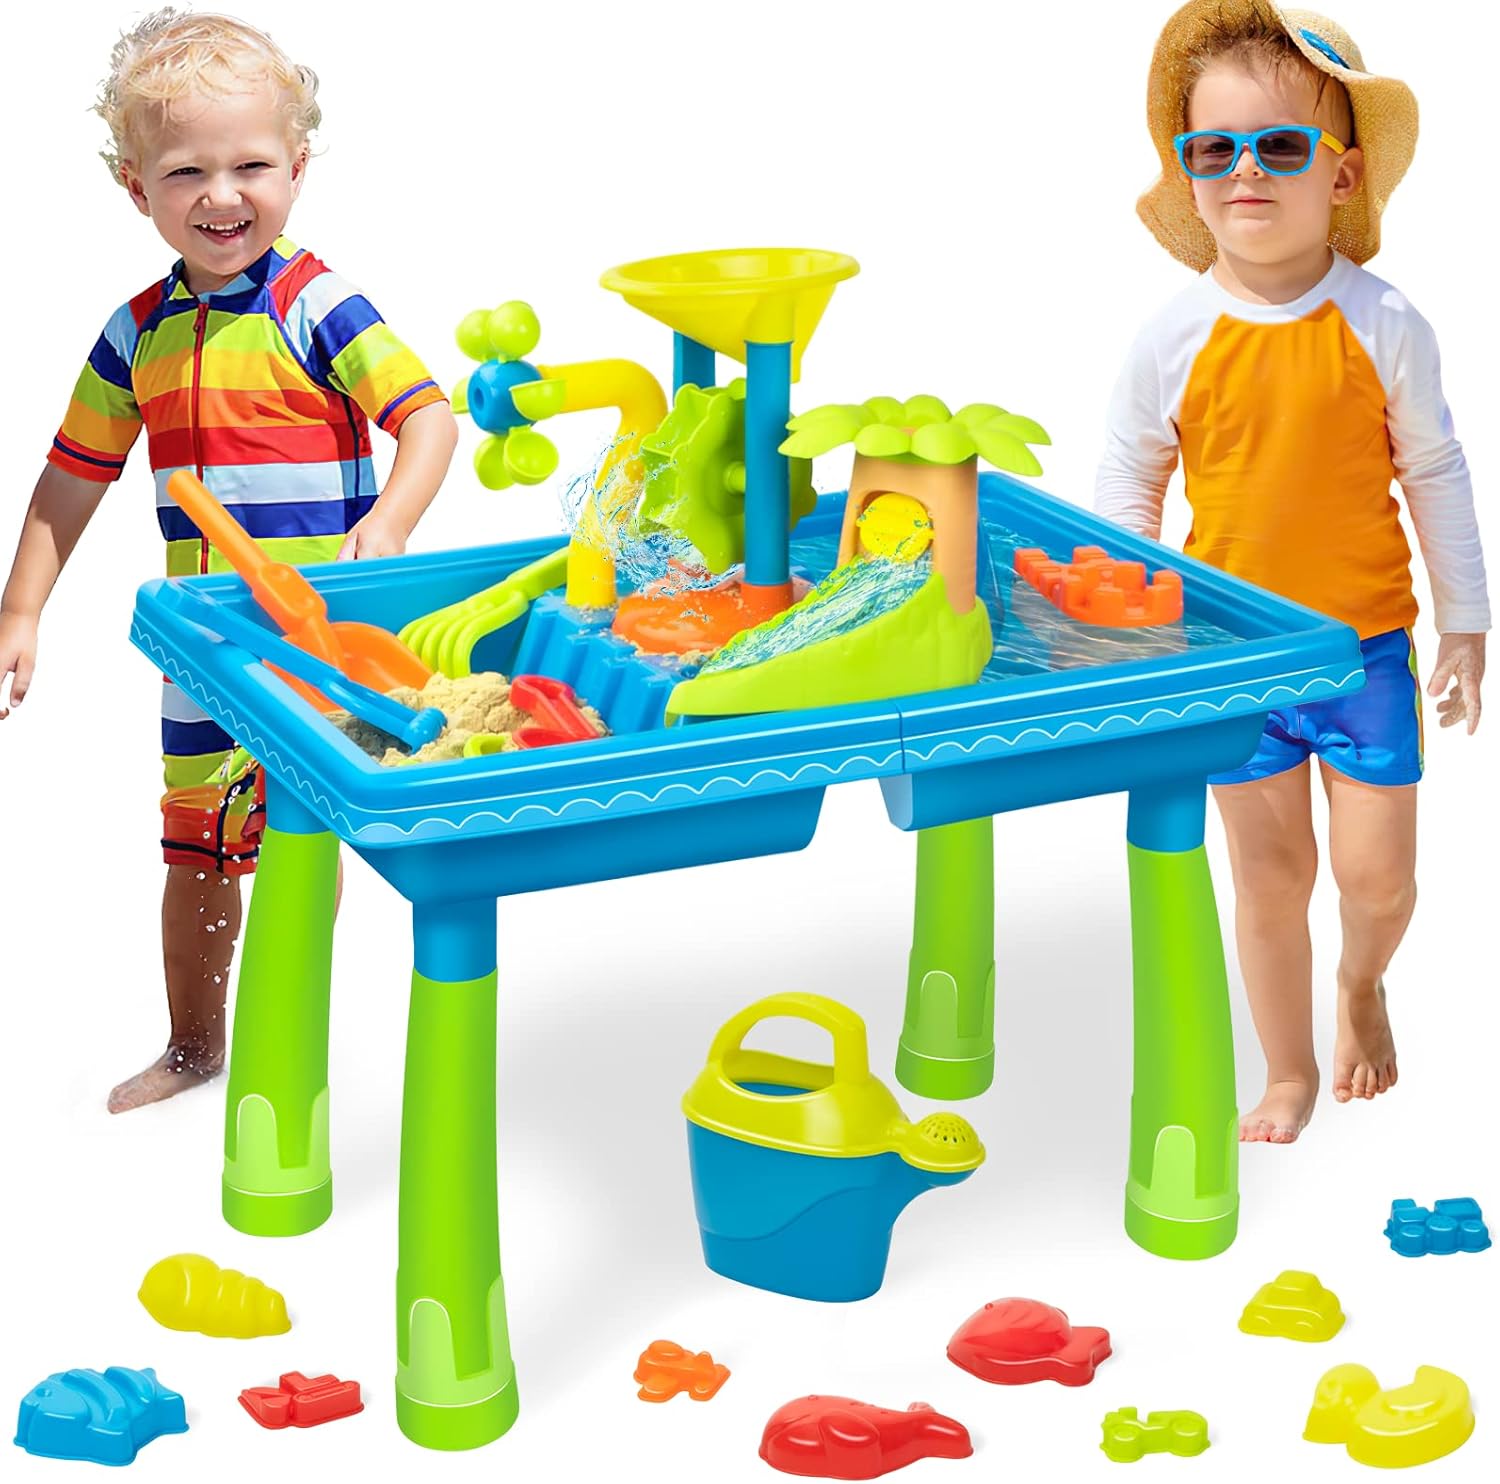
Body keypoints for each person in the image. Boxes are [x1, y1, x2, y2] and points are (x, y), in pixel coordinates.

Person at [0, 8, 458, 1112]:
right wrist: (22, 609)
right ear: (136, 189)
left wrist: (390, 523)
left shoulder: (318, 306)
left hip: (325, 641)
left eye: (251, 165)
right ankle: (196, 1045)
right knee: (197, 846)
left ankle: (296, 1038)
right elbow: (72, 477)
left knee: (314, 828)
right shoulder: (136, 335)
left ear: (297, 169)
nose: (222, 195)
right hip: (205, 644)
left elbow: (429, 418)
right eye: (185, 172)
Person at [1095, 1, 1489, 1143]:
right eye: (1213, 149)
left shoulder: (1386, 322)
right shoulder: (1170, 336)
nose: (1245, 171)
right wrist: (1125, 626)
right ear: (1188, 172)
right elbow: (1130, 478)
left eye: (1279, 144)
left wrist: (1467, 620)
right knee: (1269, 882)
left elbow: (1436, 470)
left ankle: (1361, 983)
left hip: (1365, 653)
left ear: (1342, 174)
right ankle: (1286, 1073)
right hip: (1232, 662)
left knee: (1377, 880)